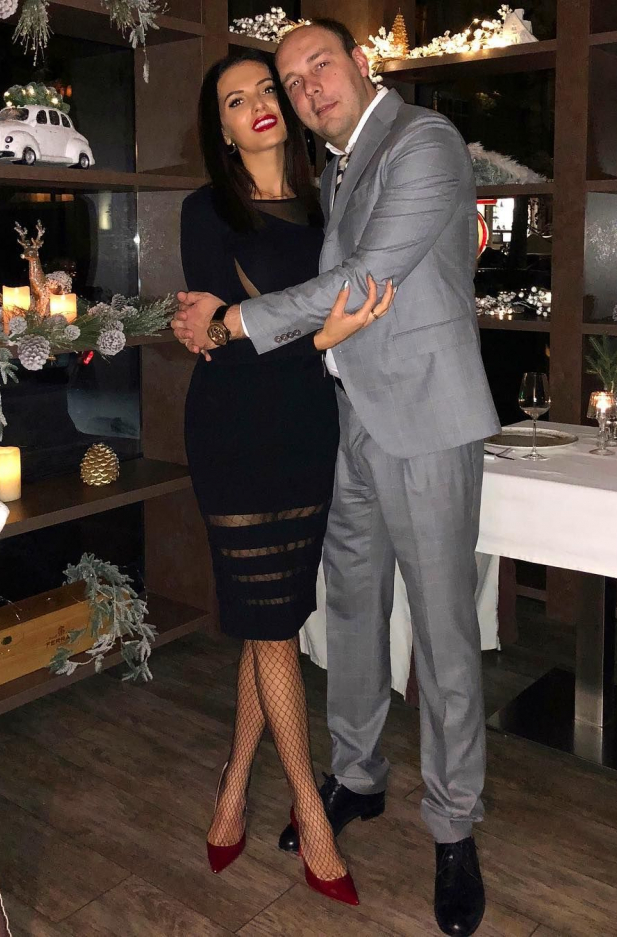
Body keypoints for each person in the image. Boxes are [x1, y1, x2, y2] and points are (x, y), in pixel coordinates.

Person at [172, 20, 499, 936]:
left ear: (360, 64)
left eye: (319, 66)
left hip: (424, 418)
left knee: (441, 631)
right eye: (289, 79)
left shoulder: (422, 141)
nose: (306, 87)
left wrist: (235, 321)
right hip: (340, 421)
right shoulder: (336, 170)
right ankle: (356, 774)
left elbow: (364, 277)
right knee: (352, 613)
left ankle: (453, 824)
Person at [180, 49, 393, 907]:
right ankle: (311, 808)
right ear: (223, 130)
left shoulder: (326, 205)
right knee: (272, 631)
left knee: (267, 620)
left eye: (266, 89)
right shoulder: (206, 211)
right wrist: (322, 335)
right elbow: (213, 341)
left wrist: (281, 331)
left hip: (307, 433)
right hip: (233, 438)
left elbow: (252, 324)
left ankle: (233, 786)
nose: (260, 104)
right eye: (236, 101)